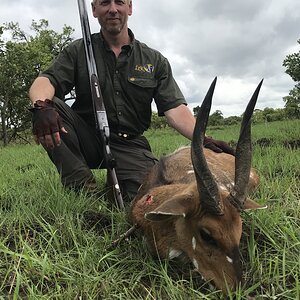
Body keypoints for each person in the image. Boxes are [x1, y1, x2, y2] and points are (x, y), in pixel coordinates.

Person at [28, 0, 234, 202]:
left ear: (130, 7)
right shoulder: (78, 50)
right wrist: (41, 107)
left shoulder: (154, 60)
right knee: (49, 106)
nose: (113, 9)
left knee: (149, 198)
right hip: (88, 137)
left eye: (119, 2)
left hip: (130, 144)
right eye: (105, 3)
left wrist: (203, 139)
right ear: (94, 9)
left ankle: (120, 179)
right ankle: (82, 189)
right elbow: (45, 81)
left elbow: (175, 109)